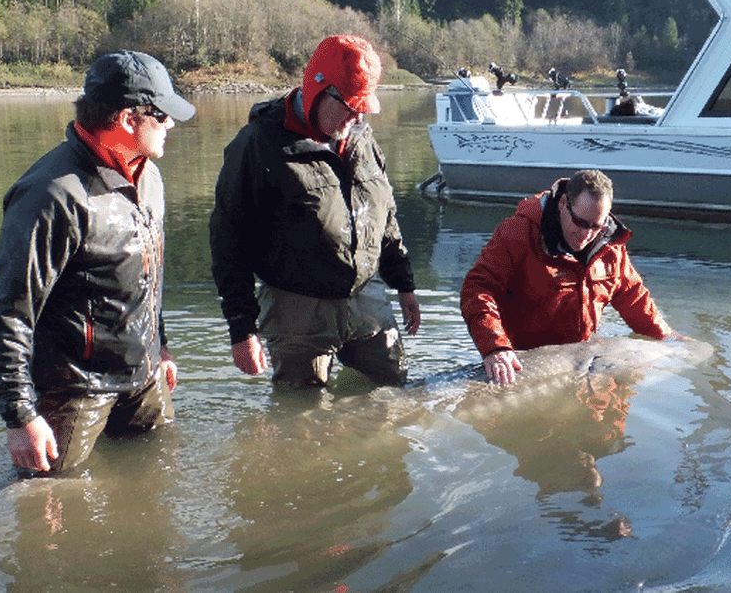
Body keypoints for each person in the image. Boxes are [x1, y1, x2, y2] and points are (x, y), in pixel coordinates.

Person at [0, 49, 195, 475]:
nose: (170, 124)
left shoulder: (148, 175)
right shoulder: (51, 195)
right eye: (161, 115)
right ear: (127, 119)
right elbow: (8, 311)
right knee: (46, 500)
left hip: (145, 378)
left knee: (160, 477)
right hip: (75, 389)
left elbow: (148, 271)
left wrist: (161, 347)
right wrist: (20, 415)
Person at [210, 34, 421, 389]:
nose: (356, 118)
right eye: (350, 106)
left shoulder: (362, 139)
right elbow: (228, 241)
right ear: (319, 88)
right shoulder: (257, 145)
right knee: (302, 415)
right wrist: (242, 328)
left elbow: (384, 214)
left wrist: (404, 283)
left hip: (365, 296)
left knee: (393, 389)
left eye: (363, 109)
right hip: (296, 305)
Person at [461, 169, 676, 385]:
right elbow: (478, 288)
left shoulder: (610, 247)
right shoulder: (518, 234)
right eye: (580, 223)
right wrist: (495, 347)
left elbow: (633, 296)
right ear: (564, 203)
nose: (586, 235)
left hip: (579, 363)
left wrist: (668, 339)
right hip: (524, 364)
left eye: (596, 226)